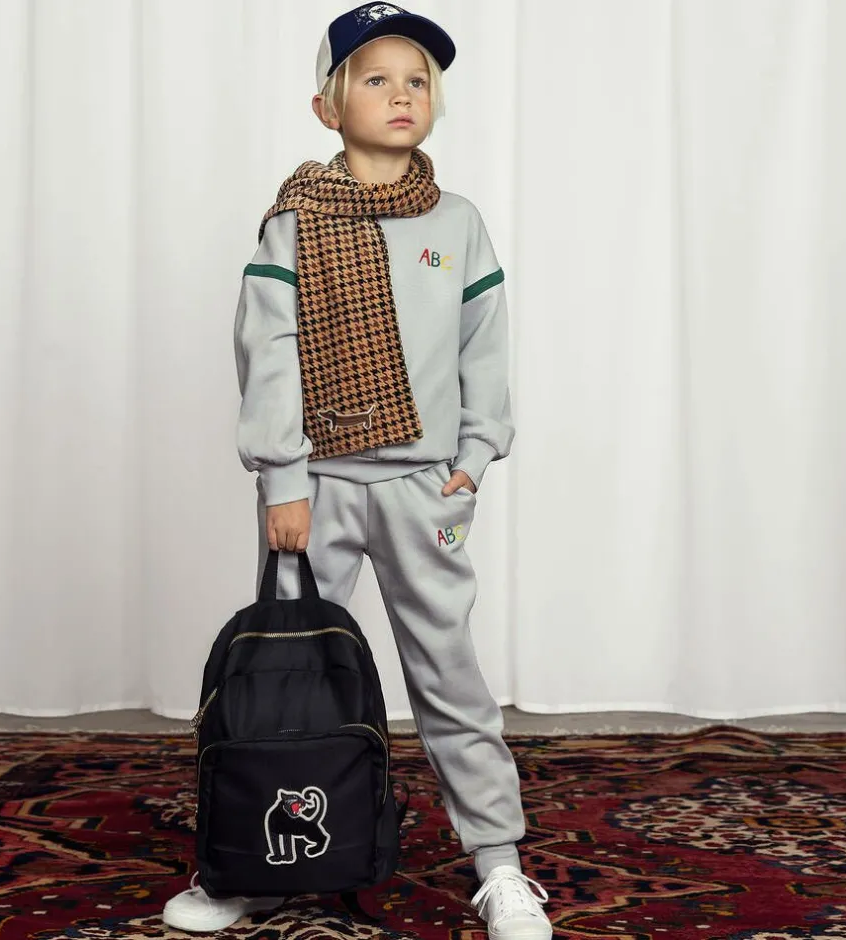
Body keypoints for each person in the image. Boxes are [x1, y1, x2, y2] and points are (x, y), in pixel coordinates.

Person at [163, 4, 554, 938]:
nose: (401, 94)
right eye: (375, 79)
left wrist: (473, 458)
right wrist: (283, 478)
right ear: (327, 107)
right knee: (287, 671)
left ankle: (498, 863)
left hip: (425, 488)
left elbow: (484, 349)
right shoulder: (294, 223)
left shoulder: (457, 224)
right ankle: (253, 859)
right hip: (319, 487)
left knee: (448, 673)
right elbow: (268, 350)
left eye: (417, 80)